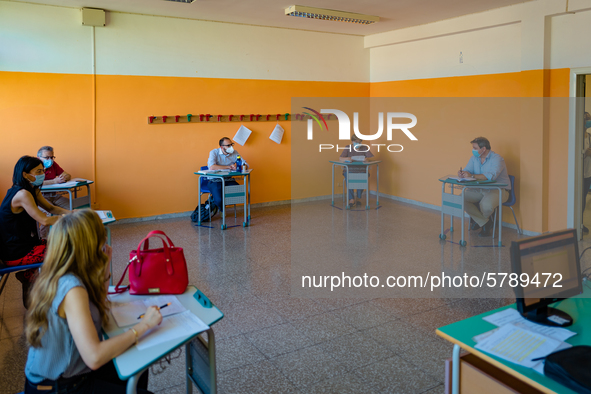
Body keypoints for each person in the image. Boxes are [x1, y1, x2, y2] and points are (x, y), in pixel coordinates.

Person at [24, 209, 162, 394]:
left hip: (69, 374)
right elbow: (94, 357)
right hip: (58, 387)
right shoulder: (71, 289)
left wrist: (105, 266)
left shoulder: (66, 272)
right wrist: (144, 326)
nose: (105, 242)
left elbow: (99, 302)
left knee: (137, 366)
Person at [0, 156, 71, 308]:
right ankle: (61, 297)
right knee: (67, 251)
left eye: (43, 171)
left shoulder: (31, 189)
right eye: (38, 171)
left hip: (26, 244)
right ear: (25, 174)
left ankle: (29, 277)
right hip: (17, 252)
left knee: (62, 245)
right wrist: (71, 218)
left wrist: (72, 213)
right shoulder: (22, 194)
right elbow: (44, 220)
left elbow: (51, 208)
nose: (43, 174)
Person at [458, 137, 511, 237]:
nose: (473, 150)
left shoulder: (497, 159)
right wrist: (462, 173)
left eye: (475, 148)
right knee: (460, 199)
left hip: (498, 189)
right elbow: (467, 170)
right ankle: (485, 222)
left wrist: (472, 176)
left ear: (483, 149)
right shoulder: (474, 158)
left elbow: (491, 176)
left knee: (486, 205)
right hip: (480, 188)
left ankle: (480, 222)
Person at [206, 137, 248, 216]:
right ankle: (220, 207)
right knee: (219, 200)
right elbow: (212, 167)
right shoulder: (214, 152)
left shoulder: (235, 153)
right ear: (222, 147)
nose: (231, 147)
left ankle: (219, 203)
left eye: (232, 144)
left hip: (228, 180)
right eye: (228, 145)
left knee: (240, 195)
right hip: (215, 180)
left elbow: (245, 164)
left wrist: (240, 165)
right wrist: (228, 167)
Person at [37, 146, 72, 238]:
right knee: (50, 214)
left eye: (52, 157)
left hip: (54, 196)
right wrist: (54, 181)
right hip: (40, 197)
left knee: (72, 207)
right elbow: (35, 183)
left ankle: (69, 236)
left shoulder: (53, 164)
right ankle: (43, 239)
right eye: (47, 157)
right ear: (39, 158)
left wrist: (64, 178)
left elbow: (68, 175)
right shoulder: (34, 167)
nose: (50, 159)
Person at [339, 134, 374, 207]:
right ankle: (351, 199)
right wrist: (349, 158)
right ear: (352, 141)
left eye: (360, 142)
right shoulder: (348, 147)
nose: (358, 143)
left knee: (363, 177)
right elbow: (341, 158)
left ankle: (358, 198)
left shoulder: (364, 148)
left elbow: (371, 158)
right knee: (349, 178)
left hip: (362, 170)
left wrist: (366, 160)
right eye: (356, 141)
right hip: (349, 170)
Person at [582, 112, 591, 234]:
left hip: (588, 173)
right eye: (587, 118)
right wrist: (585, 154)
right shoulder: (577, 137)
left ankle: (581, 223)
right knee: (578, 199)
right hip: (579, 174)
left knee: (583, 198)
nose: (588, 120)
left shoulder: (589, 136)